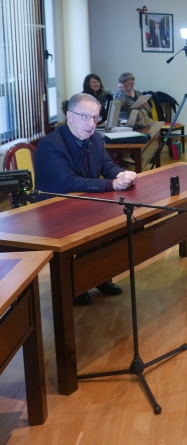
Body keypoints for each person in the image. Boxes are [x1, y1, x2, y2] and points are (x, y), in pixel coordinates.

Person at [35, 93, 137, 306]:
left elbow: (107, 166)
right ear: (70, 116)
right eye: (85, 117)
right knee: (94, 222)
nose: (91, 124)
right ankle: (75, 284)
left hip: (84, 201)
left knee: (117, 223)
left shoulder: (95, 139)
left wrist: (122, 174)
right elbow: (68, 182)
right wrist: (111, 184)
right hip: (55, 208)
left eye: (95, 118)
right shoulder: (51, 144)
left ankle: (98, 276)